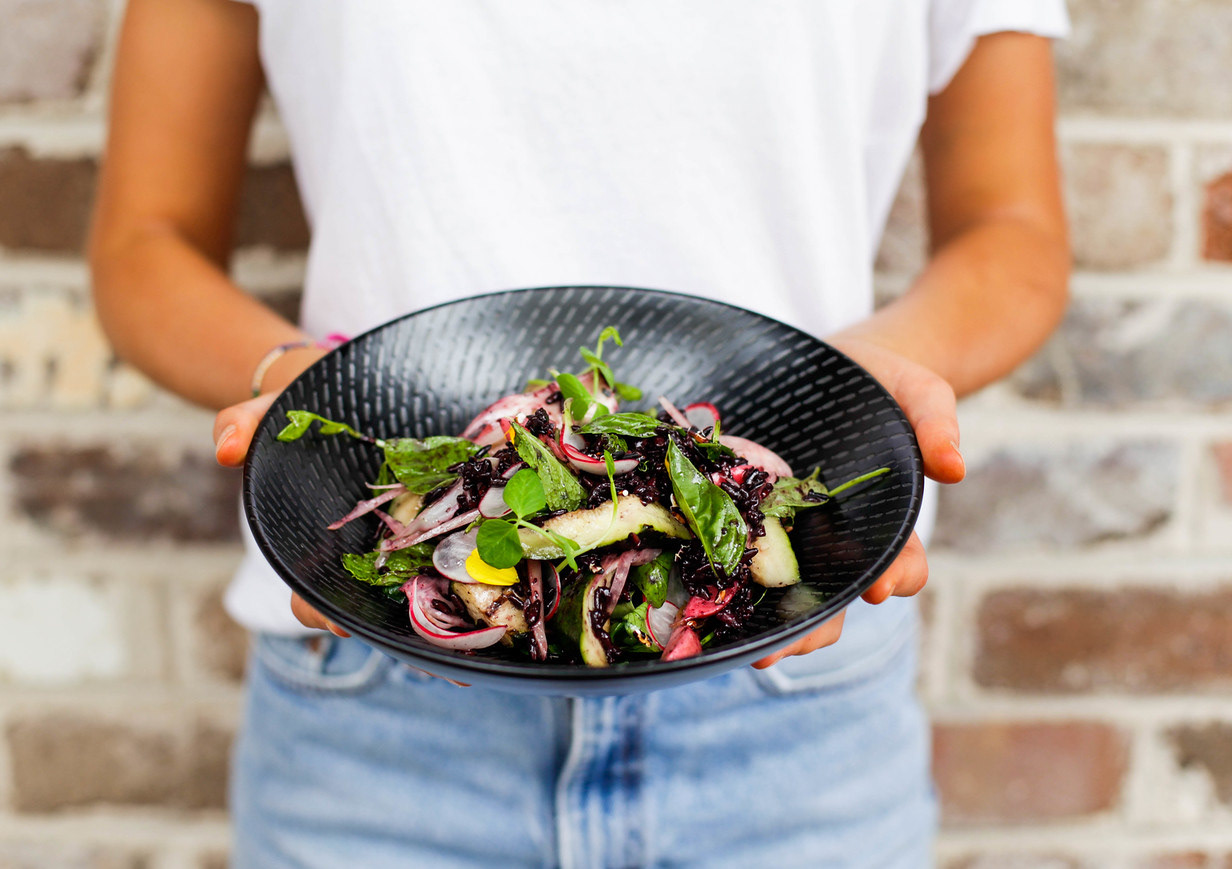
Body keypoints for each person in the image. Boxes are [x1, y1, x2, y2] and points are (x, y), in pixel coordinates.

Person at [89, 2, 1070, 866]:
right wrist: (312, 385)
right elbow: (144, 243)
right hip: (373, 729)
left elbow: (1012, 231)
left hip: (796, 710)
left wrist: (836, 386)